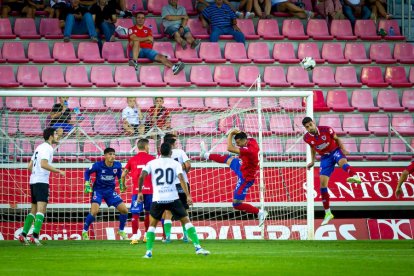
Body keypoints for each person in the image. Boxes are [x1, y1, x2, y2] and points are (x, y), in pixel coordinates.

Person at [138, 142, 210, 258]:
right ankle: (198, 247)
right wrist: (188, 195)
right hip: (172, 198)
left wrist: (140, 192)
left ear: (160, 152)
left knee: (152, 225)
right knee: (186, 221)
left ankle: (148, 252)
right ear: (171, 152)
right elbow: (181, 178)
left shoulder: (152, 163)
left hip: (158, 199)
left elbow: (142, 176)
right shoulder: (175, 164)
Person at [200, 129, 268, 226]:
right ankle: (205, 155)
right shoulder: (252, 141)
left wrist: (231, 133)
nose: (237, 145)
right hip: (242, 166)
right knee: (227, 159)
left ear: (243, 140)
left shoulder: (249, 151)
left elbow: (229, 148)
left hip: (245, 177)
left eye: (238, 142)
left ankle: (260, 212)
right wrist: (237, 132)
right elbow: (242, 136)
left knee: (236, 204)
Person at [302, 117, 362, 226]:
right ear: (305, 128)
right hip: (325, 158)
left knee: (343, 163)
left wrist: (343, 149)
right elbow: (312, 147)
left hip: (335, 151)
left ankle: (355, 176)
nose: (310, 128)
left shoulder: (326, 129)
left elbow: (337, 139)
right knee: (322, 185)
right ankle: (328, 213)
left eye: (310, 125)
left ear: (314, 123)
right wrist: (312, 161)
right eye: (307, 127)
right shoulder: (306, 138)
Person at [18, 128, 66, 246]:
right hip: (41, 181)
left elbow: (29, 166)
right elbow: (43, 164)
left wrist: (36, 174)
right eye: (55, 134)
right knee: (41, 208)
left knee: (33, 209)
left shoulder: (39, 147)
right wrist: (58, 171)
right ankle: (34, 236)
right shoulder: (47, 148)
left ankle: (23, 234)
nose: (57, 136)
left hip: (33, 180)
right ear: (50, 136)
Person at [82, 148, 129, 240]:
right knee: (94, 211)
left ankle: (121, 230)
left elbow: (119, 174)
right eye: (110, 154)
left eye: (114, 154)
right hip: (98, 191)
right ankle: (84, 231)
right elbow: (87, 172)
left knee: (124, 210)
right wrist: (87, 183)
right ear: (105, 156)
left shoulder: (117, 165)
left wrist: (121, 184)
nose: (112, 156)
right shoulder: (98, 165)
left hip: (110, 192)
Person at [120, 138, 155, 244]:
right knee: (148, 213)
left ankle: (135, 237)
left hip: (137, 191)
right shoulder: (153, 159)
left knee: (135, 213)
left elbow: (123, 175)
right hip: (150, 191)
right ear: (145, 147)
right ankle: (146, 236)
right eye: (148, 146)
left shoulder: (132, 159)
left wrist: (124, 185)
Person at [162, 134, 192, 243]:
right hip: (182, 183)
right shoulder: (180, 152)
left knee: (168, 210)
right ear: (173, 143)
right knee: (184, 210)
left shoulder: (161, 155)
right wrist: (181, 167)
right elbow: (188, 165)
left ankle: (168, 237)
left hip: (168, 185)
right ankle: (185, 236)